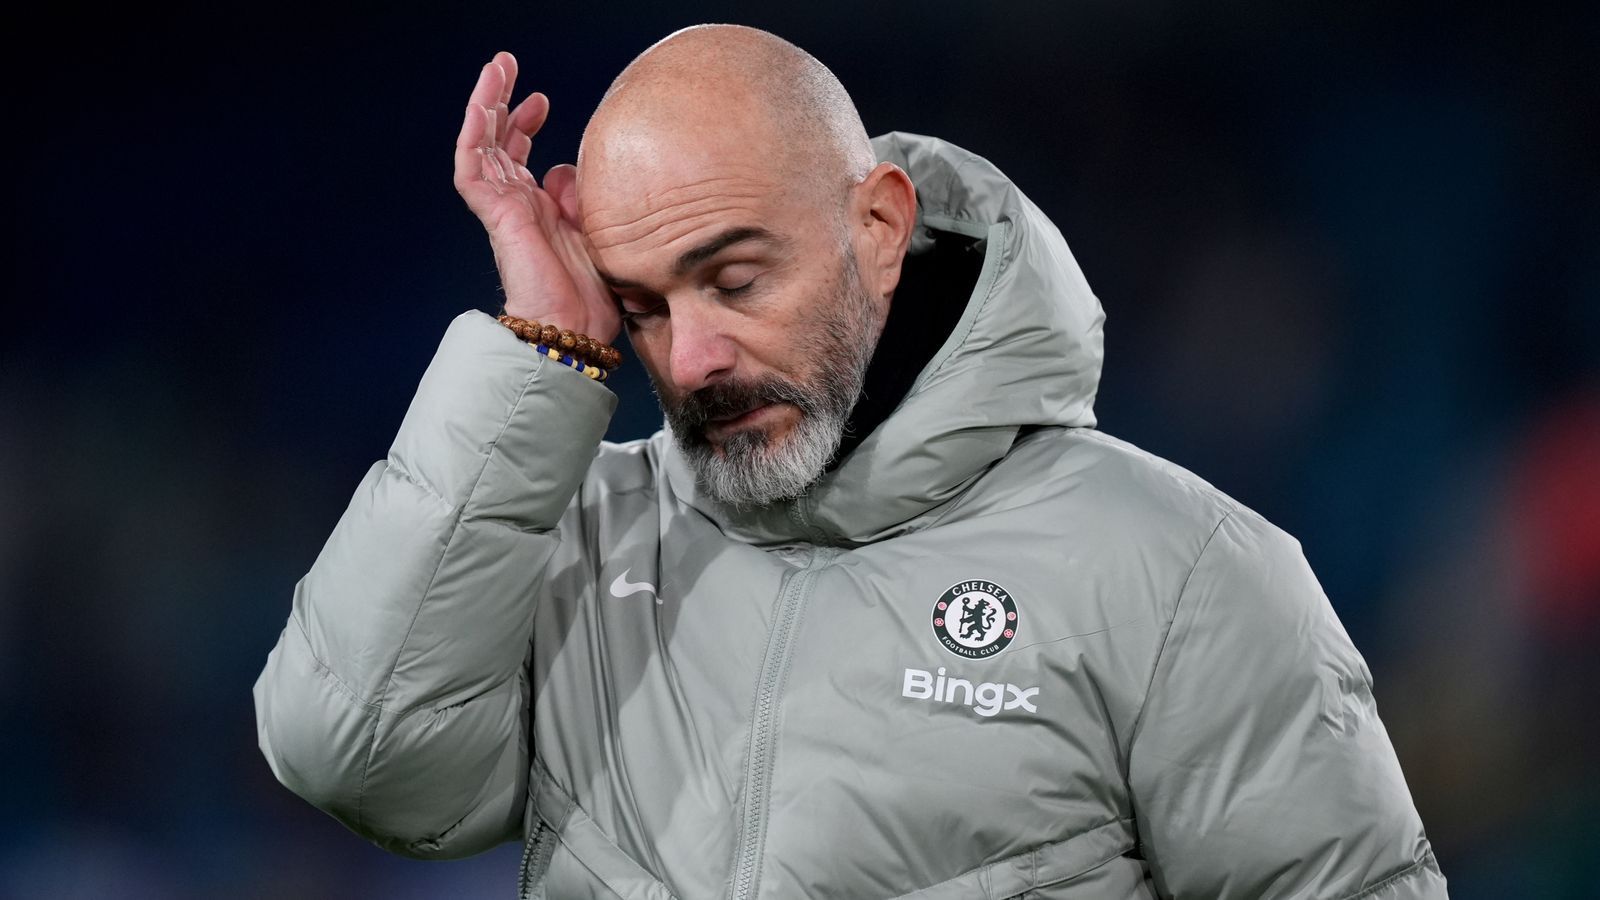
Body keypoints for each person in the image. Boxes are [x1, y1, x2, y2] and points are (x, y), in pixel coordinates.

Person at [253, 24, 1447, 899]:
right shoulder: (576, 539)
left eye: (735, 279)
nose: (694, 356)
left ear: (879, 227)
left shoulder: (1182, 574)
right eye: (642, 308)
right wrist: (542, 348)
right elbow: (352, 755)